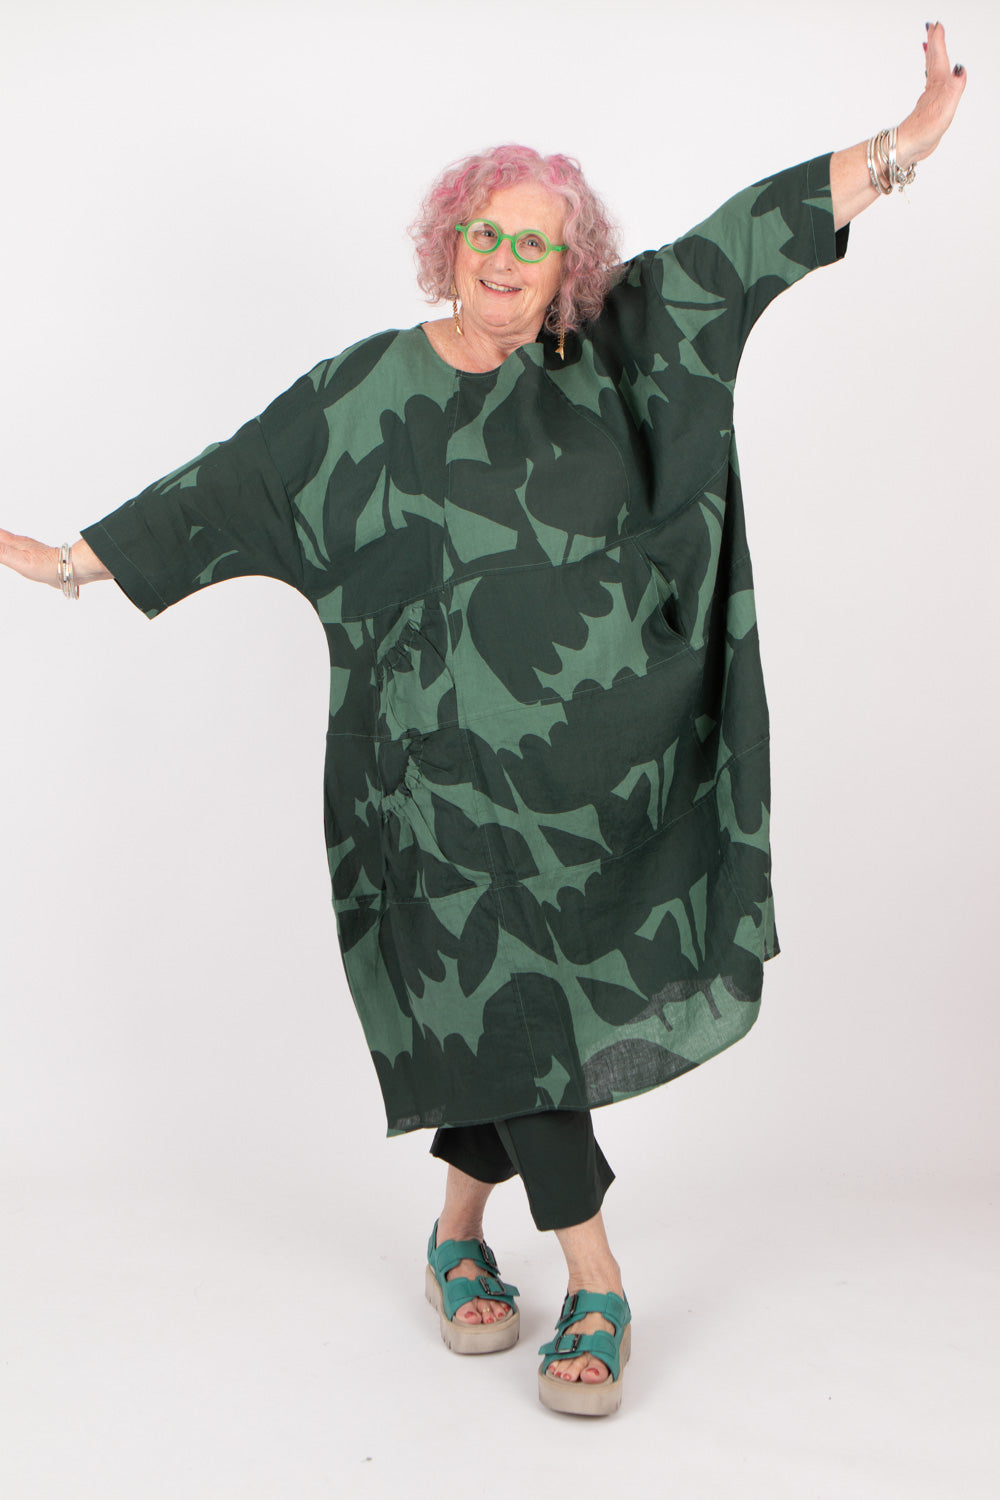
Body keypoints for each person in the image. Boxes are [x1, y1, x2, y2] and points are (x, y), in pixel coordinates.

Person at [0, 23, 966, 1418]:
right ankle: (598, 1276)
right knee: (509, 996)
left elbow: (744, 243)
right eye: (483, 233)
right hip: (422, 785)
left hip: (590, 787)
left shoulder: (614, 355)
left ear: (569, 267)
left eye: (533, 242)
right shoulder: (360, 397)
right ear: (445, 241)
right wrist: (66, 562)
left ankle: (455, 1235)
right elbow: (226, 490)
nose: (504, 259)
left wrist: (902, 144)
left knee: (510, 1016)